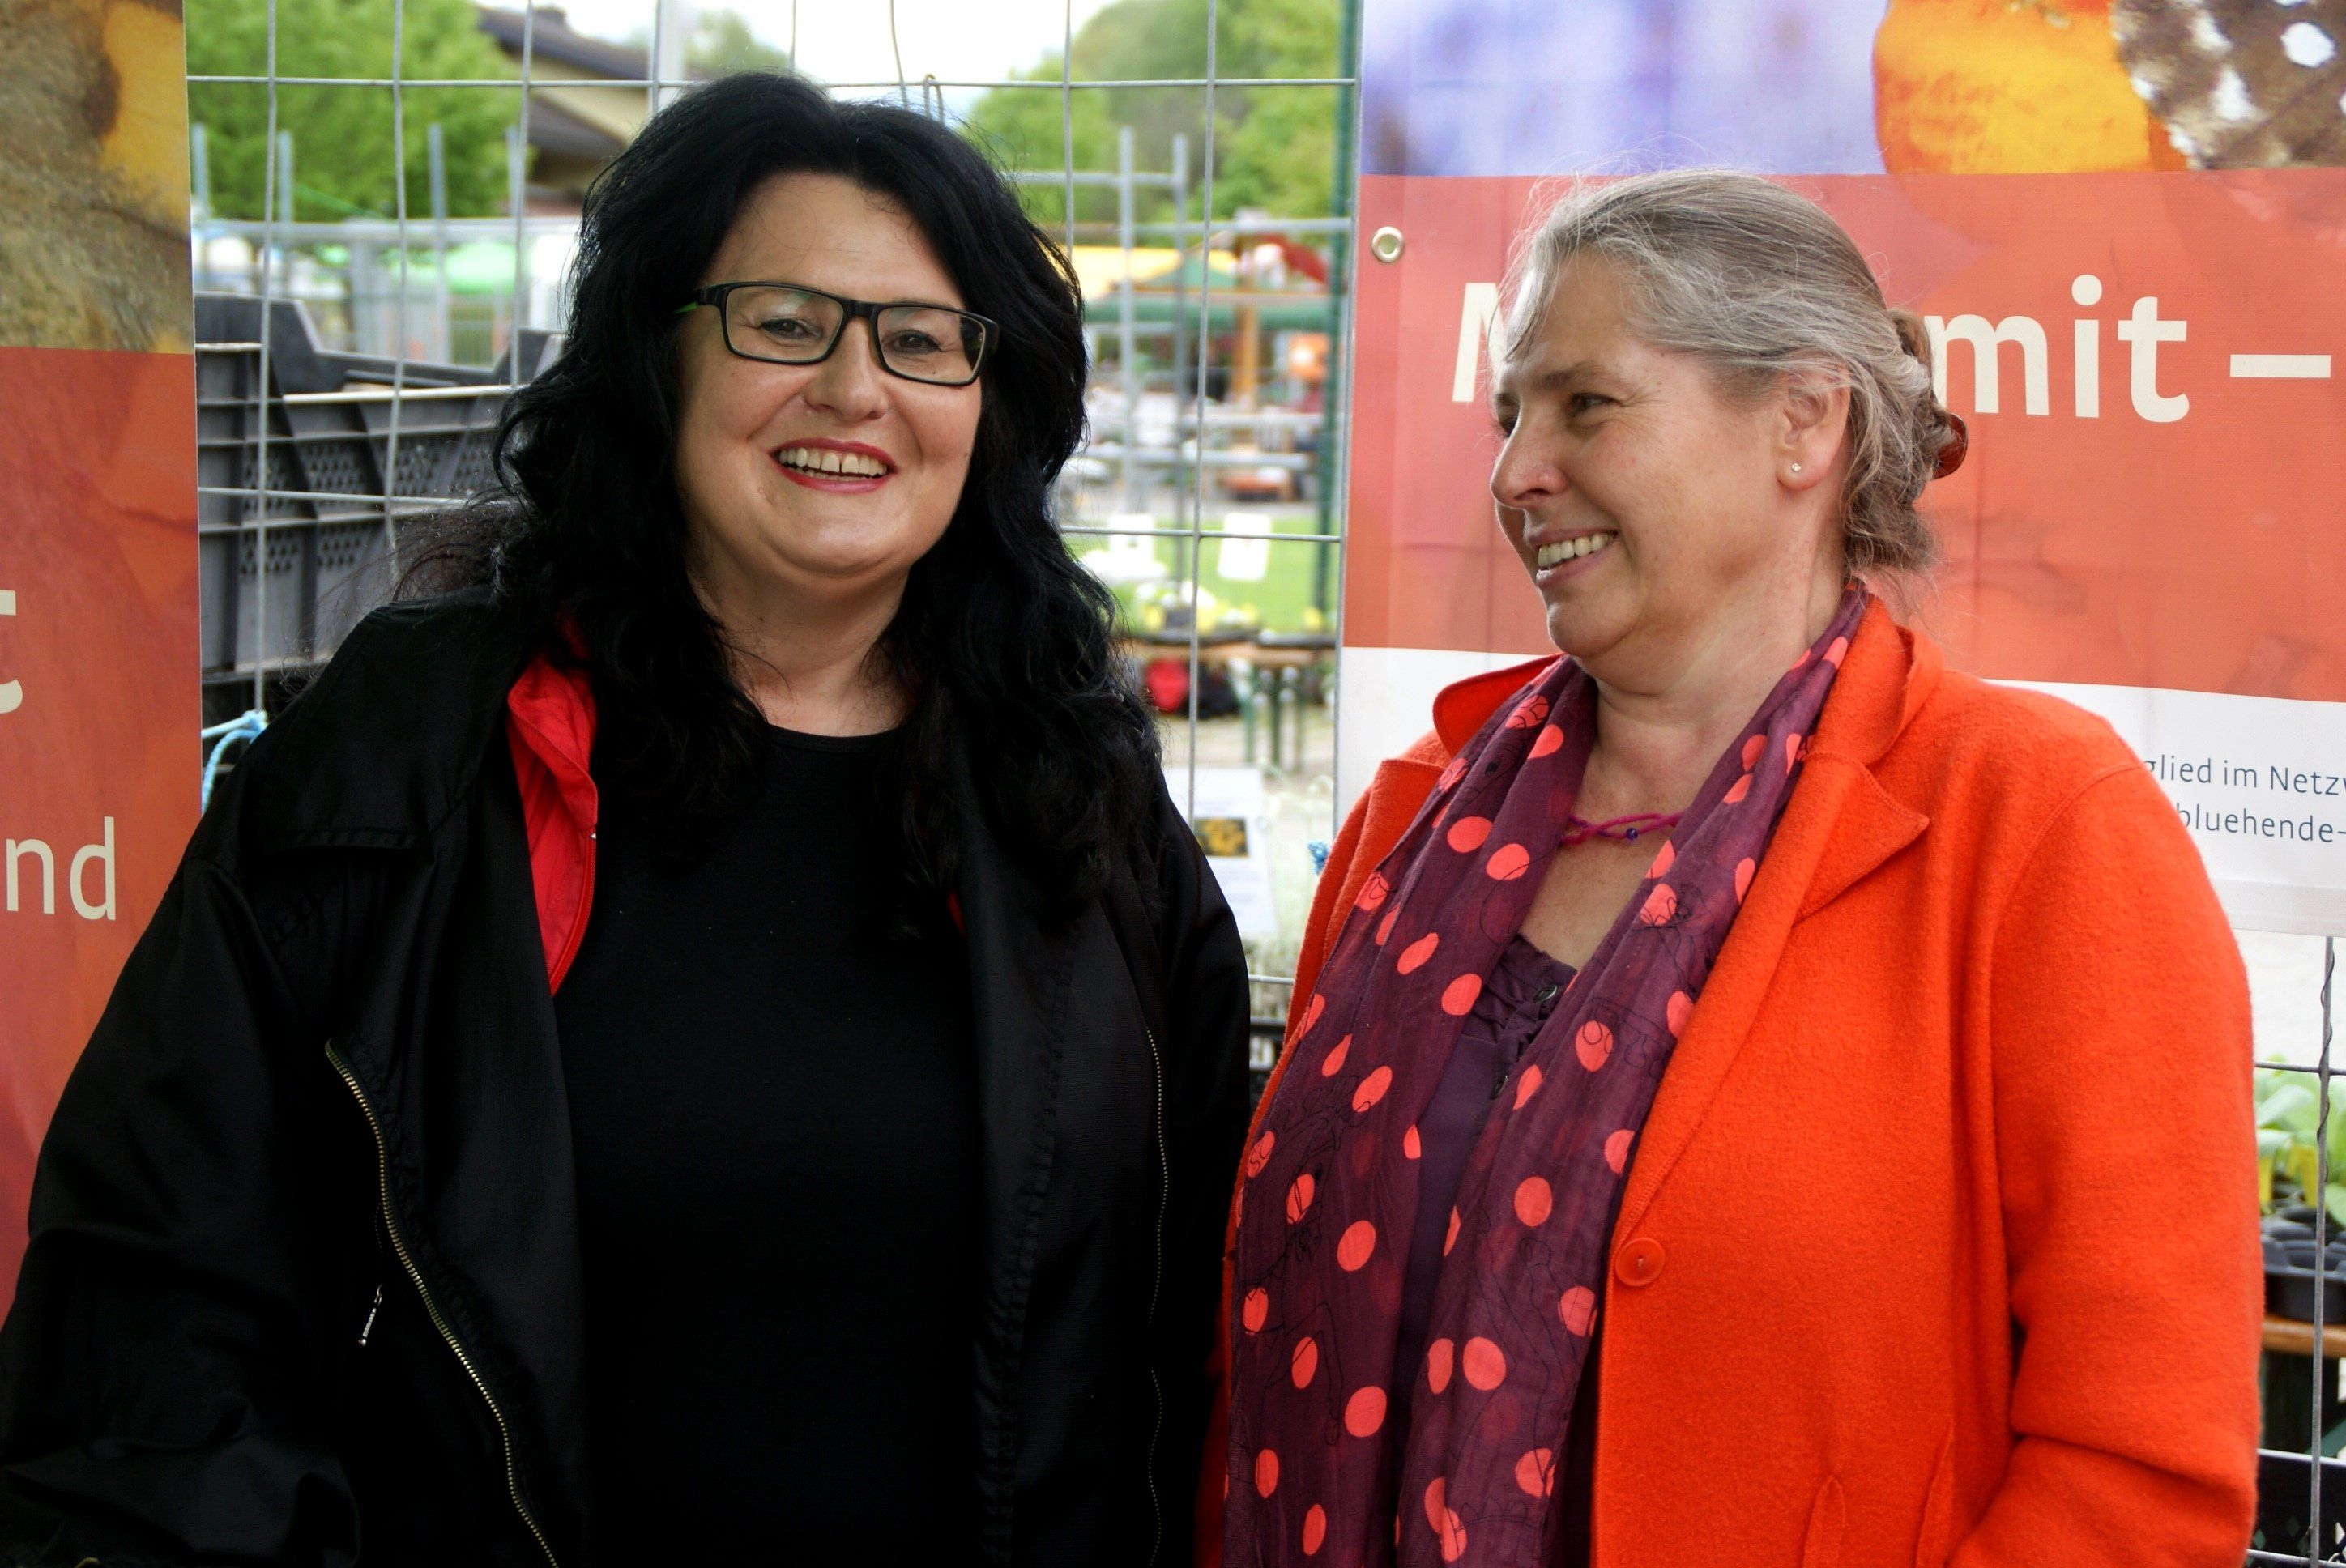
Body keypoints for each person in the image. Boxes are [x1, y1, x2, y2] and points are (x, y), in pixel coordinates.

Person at [0, 73, 1250, 1567]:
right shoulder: (411, 755)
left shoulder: (1081, 795)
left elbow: (1197, 1318)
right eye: (784, 322)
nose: (855, 387)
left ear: (991, 405)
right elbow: (156, 1318)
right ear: (658, 355)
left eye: (921, 341)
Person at [1214, 169, 2259, 1567]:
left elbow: (2141, 1473)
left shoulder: (2040, 826)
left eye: (1587, 404)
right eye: (1509, 414)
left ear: (1804, 422)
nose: (1516, 471)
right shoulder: (1418, 813)